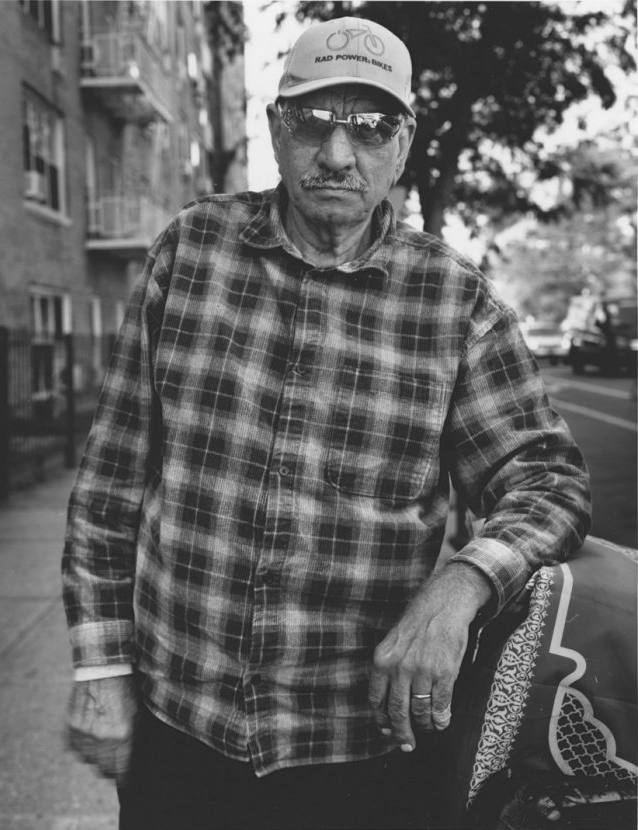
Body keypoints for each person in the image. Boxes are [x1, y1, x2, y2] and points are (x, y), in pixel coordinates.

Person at [62, 15, 591, 830]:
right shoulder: (190, 253)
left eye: (371, 125)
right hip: (181, 732)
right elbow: (109, 488)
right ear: (277, 128)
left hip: (365, 755)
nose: (338, 153)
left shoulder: (454, 301)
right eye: (313, 119)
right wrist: (100, 670)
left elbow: (548, 481)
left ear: (403, 144)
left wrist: (463, 584)